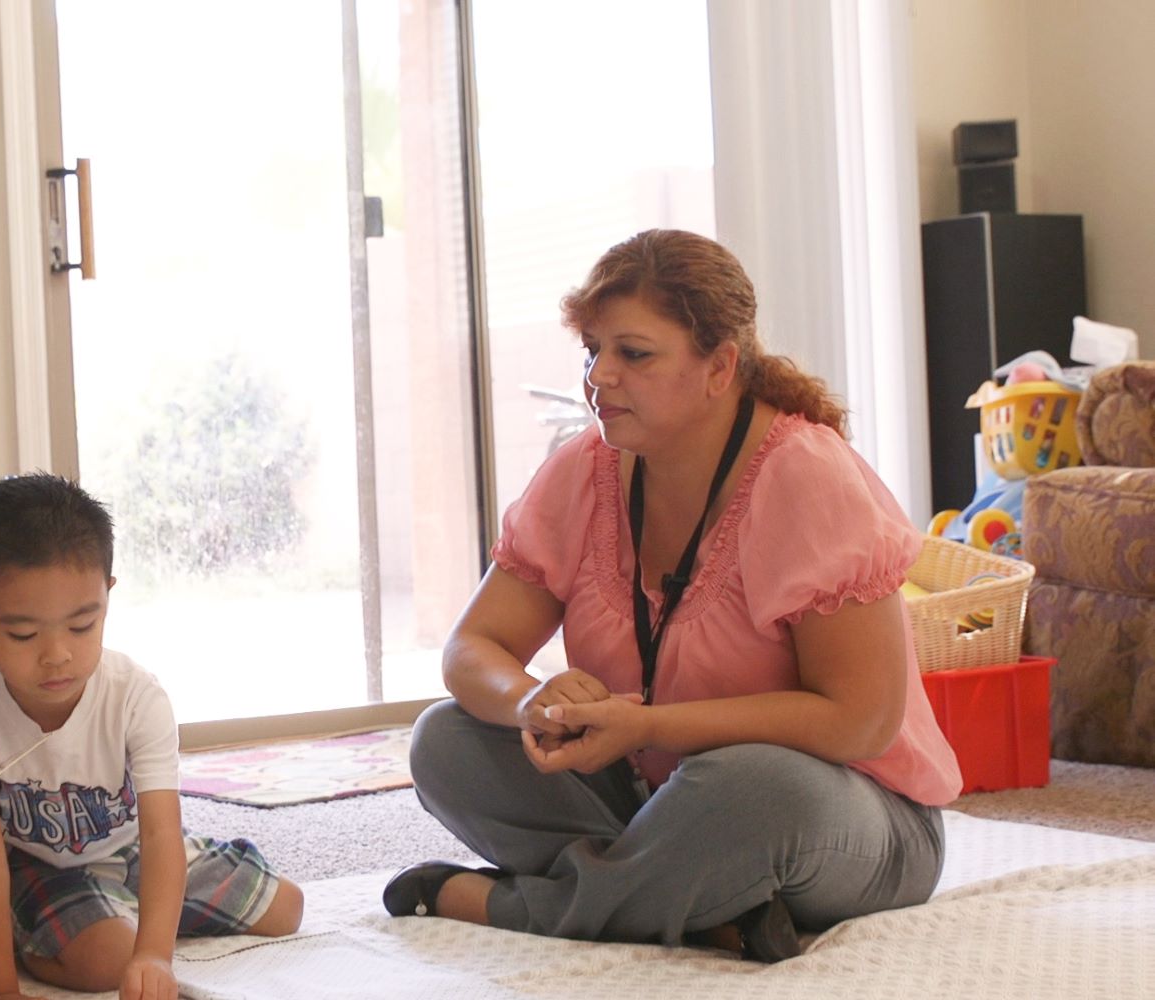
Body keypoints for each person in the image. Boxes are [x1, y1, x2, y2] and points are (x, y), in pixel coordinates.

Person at [384, 230, 963, 962]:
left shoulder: (807, 476)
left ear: (720, 366)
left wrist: (653, 726)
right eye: (592, 350)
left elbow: (860, 723)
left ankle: (515, 904)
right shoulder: (584, 472)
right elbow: (472, 649)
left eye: (635, 353)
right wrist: (531, 701)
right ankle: (703, 911)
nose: (601, 377)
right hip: (662, 802)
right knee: (448, 739)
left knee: (745, 782)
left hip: (843, 815)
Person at [0, 474, 304, 1000]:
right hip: (45, 867)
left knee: (287, 908)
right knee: (108, 960)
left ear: (107, 597)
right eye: (23, 634)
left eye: (82, 625)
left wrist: (155, 954)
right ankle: (48, 933)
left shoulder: (137, 697)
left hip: (135, 850)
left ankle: (122, 910)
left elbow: (160, 836)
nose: (57, 654)